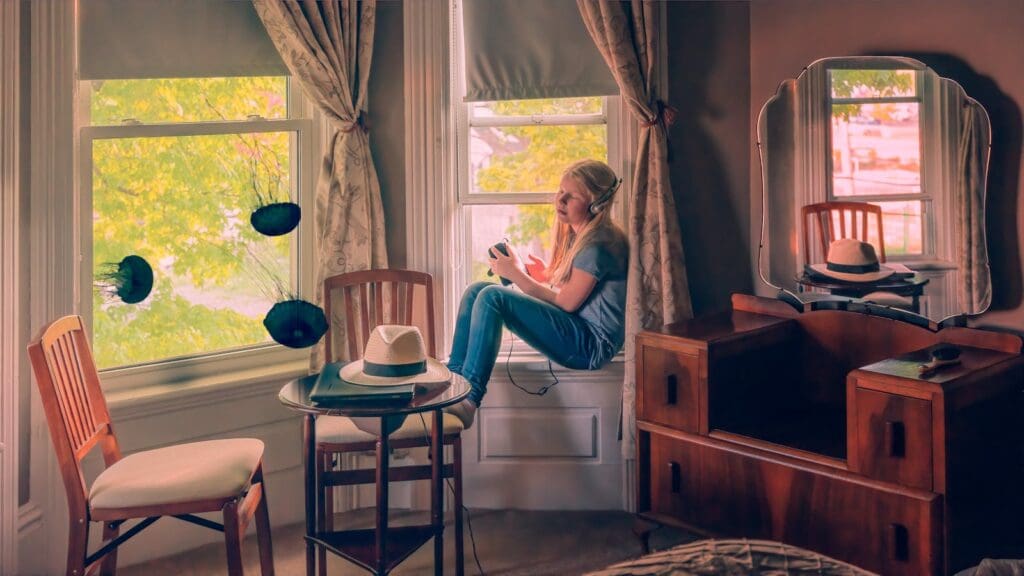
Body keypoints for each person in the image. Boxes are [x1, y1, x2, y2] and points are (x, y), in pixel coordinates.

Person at [445, 159, 629, 428]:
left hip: (590, 346)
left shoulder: (598, 245)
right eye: (560, 191)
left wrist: (516, 275)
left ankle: (470, 399)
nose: (560, 199)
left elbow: (566, 304)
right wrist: (540, 275)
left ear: (596, 205)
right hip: (580, 330)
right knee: (477, 290)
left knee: (492, 297)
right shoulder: (587, 237)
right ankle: (454, 384)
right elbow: (579, 292)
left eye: (572, 196)